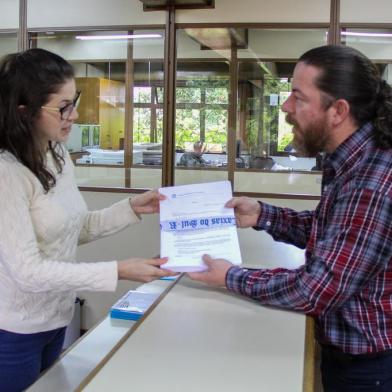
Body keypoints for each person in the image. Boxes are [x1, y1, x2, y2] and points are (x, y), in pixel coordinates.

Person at [189, 45, 392, 391]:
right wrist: (263, 215)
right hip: (352, 354)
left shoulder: (373, 179)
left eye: (298, 97)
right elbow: (334, 235)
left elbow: (319, 288)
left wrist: (231, 277)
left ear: (338, 110)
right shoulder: (350, 160)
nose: (285, 107)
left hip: (369, 367)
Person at [0, 48, 176, 392]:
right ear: (25, 111)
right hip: (14, 331)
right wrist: (118, 271)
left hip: (56, 318)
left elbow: (73, 228)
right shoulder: (7, 173)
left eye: (73, 100)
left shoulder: (57, 153)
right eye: (63, 106)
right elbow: (27, 271)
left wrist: (131, 208)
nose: (75, 114)